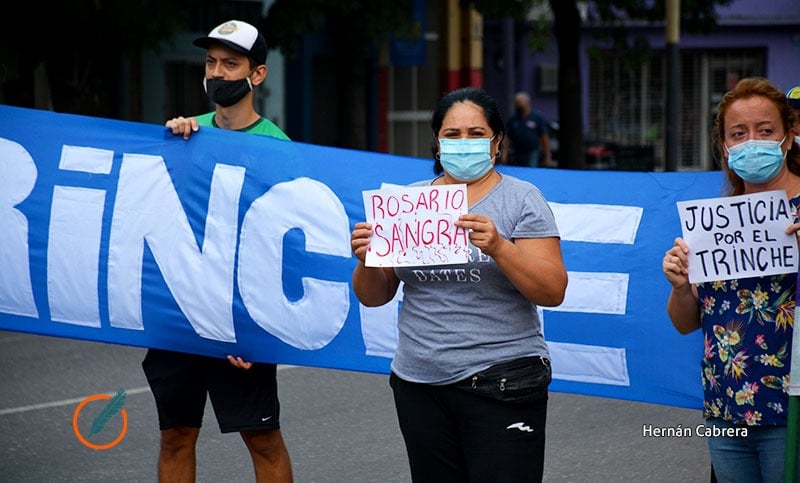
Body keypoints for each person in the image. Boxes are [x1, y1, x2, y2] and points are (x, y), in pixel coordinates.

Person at [350, 86, 568, 482]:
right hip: (419, 384)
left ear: (497, 141)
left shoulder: (522, 199)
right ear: (436, 142)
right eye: (452, 135)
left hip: (503, 380)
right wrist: (366, 262)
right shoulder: (409, 204)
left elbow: (552, 290)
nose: (463, 143)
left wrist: (500, 246)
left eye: (476, 133)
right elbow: (375, 296)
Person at [145, 19, 293, 483]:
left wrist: (255, 328)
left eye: (231, 64)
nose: (218, 73)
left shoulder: (279, 149)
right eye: (211, 63)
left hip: (240, 321)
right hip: (180, 315)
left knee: (263, 440)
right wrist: (172, 144)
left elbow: (281, 252)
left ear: (258, 75)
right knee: (176, 436)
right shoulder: (185, 135)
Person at [662, 77, 800, 483]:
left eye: (765, 131)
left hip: (792, 409)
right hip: (727, 410)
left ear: (788, 139)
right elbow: (687, 321)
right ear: (724, 146)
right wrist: (679, 285)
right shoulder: (715, 223)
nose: (751, 141)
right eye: (738, 134)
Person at [502, 91, 552, 167]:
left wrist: (547, 155)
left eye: (520, 105)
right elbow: (508, 137)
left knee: (531, 170)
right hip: (517, 152)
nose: (518, 107)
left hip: (532, 152)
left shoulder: (537, 118)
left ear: (527, 104)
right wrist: (504, 153)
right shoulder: (513, 119)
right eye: (517, 105)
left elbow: (544, 137)